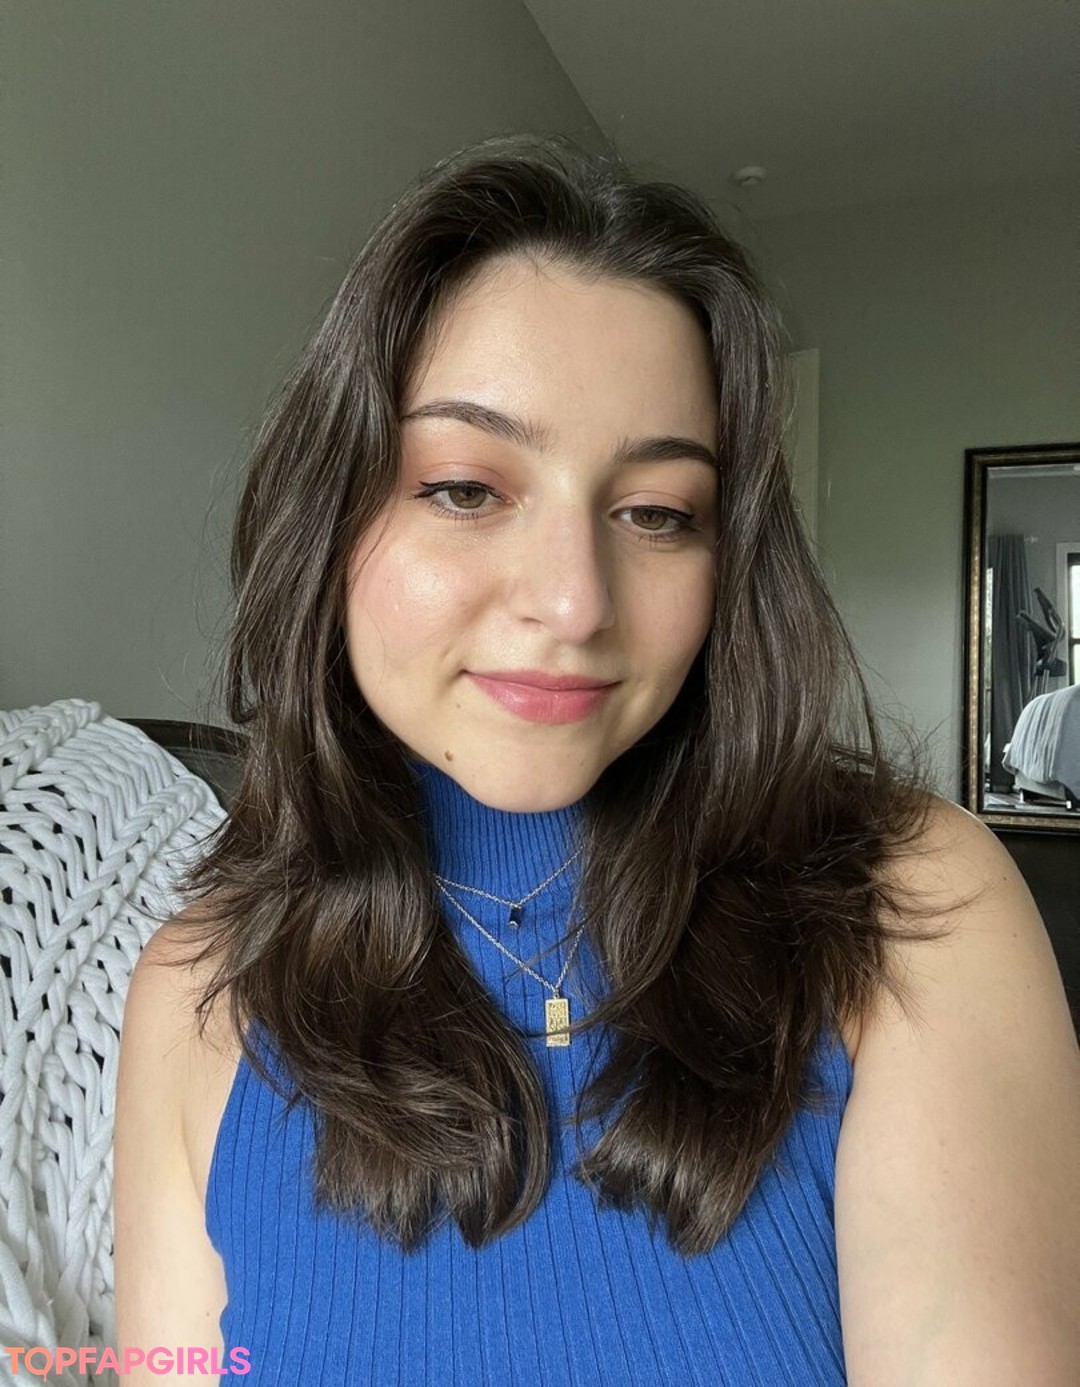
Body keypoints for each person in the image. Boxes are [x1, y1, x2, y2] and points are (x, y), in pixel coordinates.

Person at [114, 133, 1079, 1385]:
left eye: (657, 512)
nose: (576, 601)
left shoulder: (909, 908)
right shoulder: (199, 989)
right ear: (330, 514)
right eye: (466, 488)